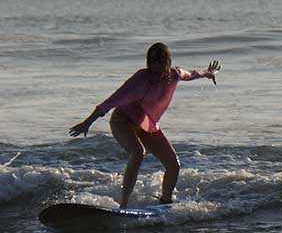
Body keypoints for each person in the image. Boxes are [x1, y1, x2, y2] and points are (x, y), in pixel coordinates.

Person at [69, 42, 220, 208]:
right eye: (152, 61)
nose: (156, 66)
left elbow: (192, 74)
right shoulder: (140, 79)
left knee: (173, 165)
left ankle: (165, 202)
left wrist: (209, 73)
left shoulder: (175, 74)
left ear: (168, 62)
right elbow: (109, 102)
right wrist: (87, 122)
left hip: (147, 124)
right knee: (138, 152)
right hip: (123, 120)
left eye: (160, 62)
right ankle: (124, 204)